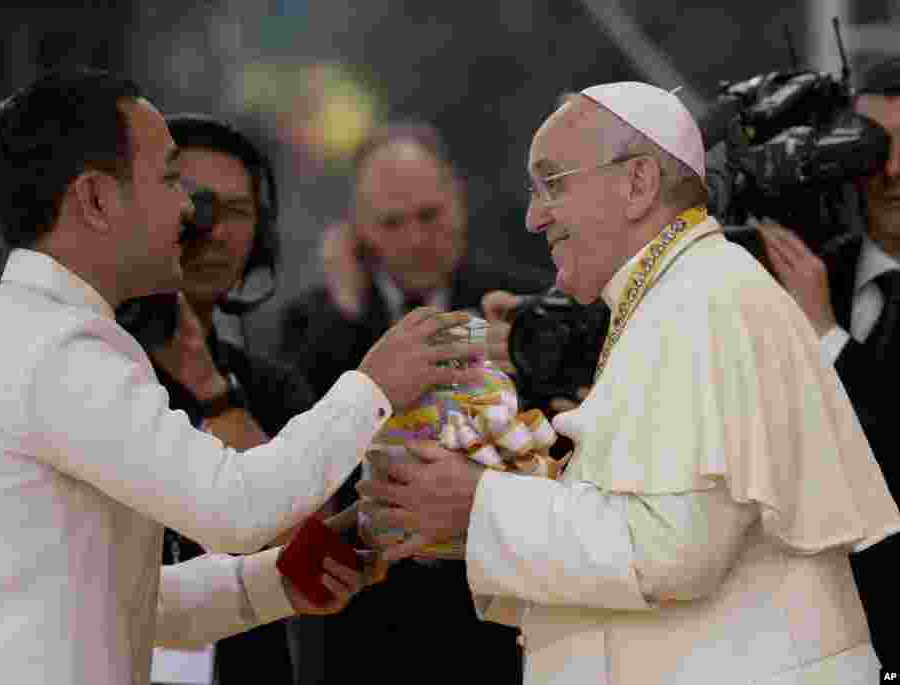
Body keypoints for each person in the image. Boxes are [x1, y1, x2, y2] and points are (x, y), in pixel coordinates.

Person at [0, 68, 485, 685]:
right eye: (171, 178)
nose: (188, 209)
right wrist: (375, 387)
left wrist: (274, 581)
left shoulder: (17, 329)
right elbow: (234, 506)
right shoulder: (52, 349)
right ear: (95, 199)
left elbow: (116, 602)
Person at [358, 82, 900, 684]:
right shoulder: (668, 296)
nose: (535, 217)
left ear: (638, 183)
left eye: (552, 183)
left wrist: (478, 504)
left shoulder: (704, 297)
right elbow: (645, 528)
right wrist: (468, 516)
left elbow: (672, 551)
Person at [279, 122, 551, 685]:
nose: (415, 238)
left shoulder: (521, 305)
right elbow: (304, 461)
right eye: (392, 223)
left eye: (430, 215)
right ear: (359, 231)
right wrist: (348, 313)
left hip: (491, 623)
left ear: (459, 202)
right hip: (364, 633)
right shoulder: (315, 324)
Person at [115, 113, 322, 685]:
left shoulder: (272, 388)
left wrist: (216, 395)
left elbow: (315, 556)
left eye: (237, 212)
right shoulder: (92, 369)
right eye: (195, 203)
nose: (214, 231)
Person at [754, 57, 900, 665]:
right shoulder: (806, 272)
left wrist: (825, 339)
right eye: (872, 148)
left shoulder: (810, 301)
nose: (893, 171)